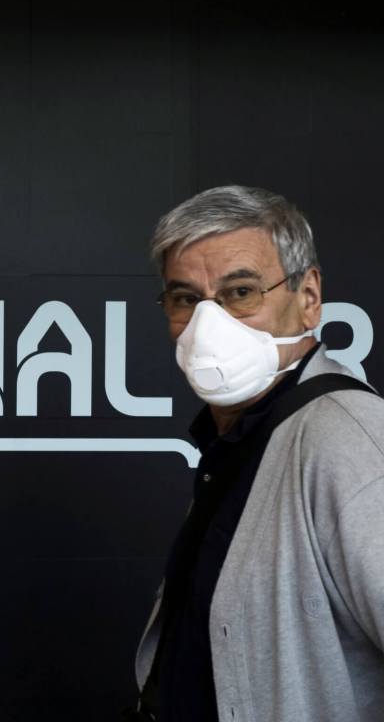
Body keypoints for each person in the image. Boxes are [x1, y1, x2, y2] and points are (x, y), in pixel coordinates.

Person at [125, 185, 384, 722]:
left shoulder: (347, 438)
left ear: (307, 297)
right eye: (185, 299)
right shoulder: (241, 441)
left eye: (240, 292)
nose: (207, 325)